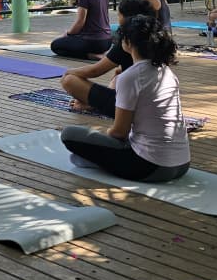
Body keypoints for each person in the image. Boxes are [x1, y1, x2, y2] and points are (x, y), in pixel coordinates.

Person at [61, 15, 191, 182]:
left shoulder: (130, 77)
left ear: (128, 42)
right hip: (182, 164)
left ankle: (99, 161)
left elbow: (119, 132)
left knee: (69, 134)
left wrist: (104, 136)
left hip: (150, 167)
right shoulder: (166, 71)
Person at [59, 0, 155, 114]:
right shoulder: (154, 37)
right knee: (119, 73)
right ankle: (96, 103)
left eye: (119, 15)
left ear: (125, 18)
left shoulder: (127, 43)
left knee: (69, 80)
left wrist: (69, 72)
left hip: (131, 106)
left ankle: (93, 105)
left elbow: (95, 71)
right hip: (151, 100)